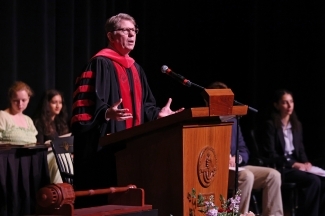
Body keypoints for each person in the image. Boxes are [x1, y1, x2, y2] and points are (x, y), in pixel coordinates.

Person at [71, 13, 184, 198]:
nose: (132, 35)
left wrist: (157, 114)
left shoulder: (136, 68)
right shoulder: (99, 64)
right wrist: (106, 113)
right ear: (110, 36)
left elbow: (145, 106)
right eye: (126, 30)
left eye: (134, 31)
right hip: (102, 149)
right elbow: (83, 109)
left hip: (133, 149)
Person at [207, 81, 283, 216]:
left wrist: (237, 158)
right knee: (246, 176)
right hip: (218, 171)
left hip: (236, 167)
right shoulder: (205, 121)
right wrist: (222, 158)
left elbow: (244, 150)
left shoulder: (233, 120)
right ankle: (240, 214)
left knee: (273, 175)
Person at [261, 89, 325, 216]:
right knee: (313, 181)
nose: (289, 106)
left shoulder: (297, 125)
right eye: (285, 102)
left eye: (291, 102)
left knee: (322, 180)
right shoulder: (271, 125)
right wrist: (293, 164)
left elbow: (300, 150)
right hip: (281, 166)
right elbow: (271, 154)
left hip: (296, 165)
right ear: (277, 105)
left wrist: (306, 163)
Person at [0, 81, 49, 215]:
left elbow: (33, 140)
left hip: (28, 163)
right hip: (9, 164)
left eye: (24, 100)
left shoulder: (28, 120)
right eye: (16, 100)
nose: (20, 104)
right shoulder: (3, 116)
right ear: (10, 99)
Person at [33, 89, 70, 183]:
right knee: (59, 159)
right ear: (47, 104)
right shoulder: (39, 122)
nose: (58, 106)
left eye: (60, 102)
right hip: (47, 158)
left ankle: (68, 188)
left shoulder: (61, 122)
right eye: (54, 102)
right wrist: (51, 144)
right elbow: (38, 147)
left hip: (62, 156)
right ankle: (59, 189)